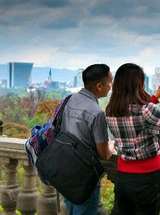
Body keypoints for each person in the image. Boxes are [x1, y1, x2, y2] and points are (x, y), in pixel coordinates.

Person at [105, 63, 160, 215]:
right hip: (145, 180)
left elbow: (137, 115)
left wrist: (156, 96)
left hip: (123, 178)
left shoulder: (111, 109)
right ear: (138, 84)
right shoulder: (145, 110)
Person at [61, 64, 114, 215]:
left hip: (65, 170)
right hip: (84, 177)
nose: (111, 86)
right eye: (110, 82)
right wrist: (111, 145)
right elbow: (103, 154)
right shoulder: (96, 113)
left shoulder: (69, 100)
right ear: (99, 86)